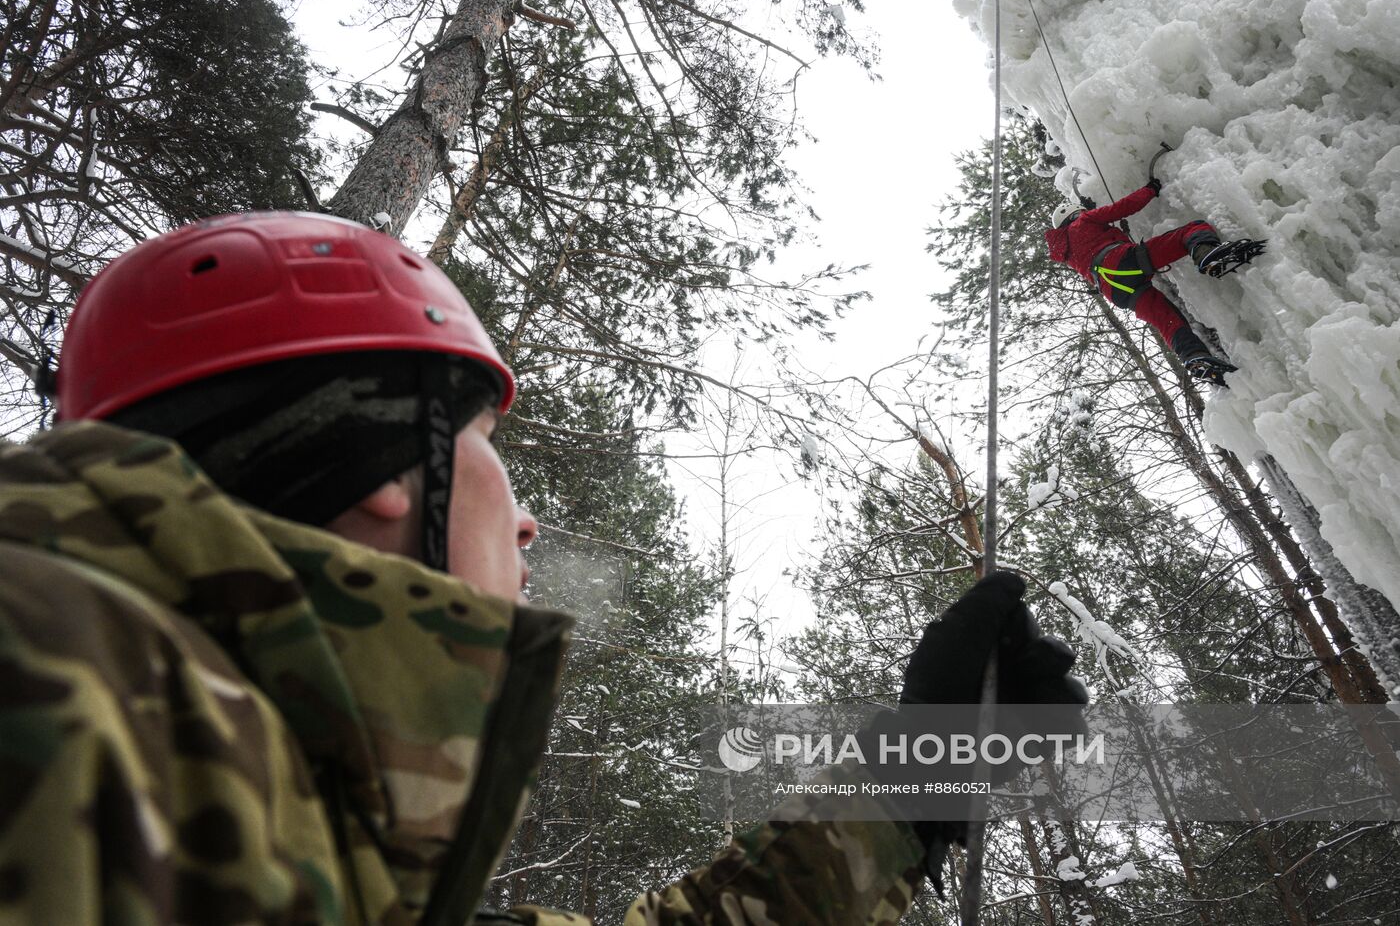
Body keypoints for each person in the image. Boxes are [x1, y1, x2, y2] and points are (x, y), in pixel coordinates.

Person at [0, 211, 1085, 924]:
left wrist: (914, 784)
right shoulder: (59, 667)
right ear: (386, 466)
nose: (524, 526)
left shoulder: (292, 813)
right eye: (489, 453)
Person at [1045, 178, 1266, 385]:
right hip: (1123, 262)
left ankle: (1194, 357)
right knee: (1190, 230)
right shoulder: (1084, 220)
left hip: (1117, 291)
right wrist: (1150, 189)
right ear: (1076, 214)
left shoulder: (1067, 253)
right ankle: (1206, 253)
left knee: (1168, 321)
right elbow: (1123, 207)